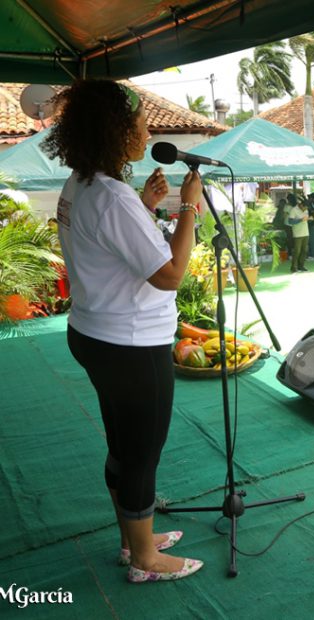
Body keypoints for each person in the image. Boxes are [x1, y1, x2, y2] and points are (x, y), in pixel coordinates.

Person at [45, 80, 204, 582]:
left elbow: (111, 247)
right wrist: (187, 208)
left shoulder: (82, 183)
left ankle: (133, 540)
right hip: (131, 345)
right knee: (142, 453)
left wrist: (147, 207)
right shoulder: (111, 196)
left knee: (122, 443)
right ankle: (145, 559)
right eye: (140, 125)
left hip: (96, 334)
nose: (147, 131)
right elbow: (170, 274)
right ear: (115, 132)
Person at [287, 194, 309, 272]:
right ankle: (294, 267)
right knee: (297, 251)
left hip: (306, 232)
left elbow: (306, 218)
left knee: (304, 250)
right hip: (297, 234)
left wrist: (309, 218)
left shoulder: (306, 209)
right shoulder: (293, 210)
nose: (305, 209)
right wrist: (300, 220)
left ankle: (301, 265)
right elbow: (290, 221)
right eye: (304, 207)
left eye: (306, 208)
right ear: (300, 205)